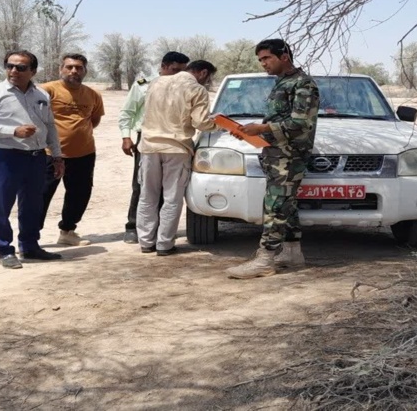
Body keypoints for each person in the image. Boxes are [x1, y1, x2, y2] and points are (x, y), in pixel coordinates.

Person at [225, 39, 320, 279]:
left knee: (276, 206)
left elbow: (301, 123)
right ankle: (291, 252)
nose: (263, 64)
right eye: (260, 59)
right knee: (286, 204)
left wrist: (262, 129)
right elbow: (281, 119)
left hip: (289, 156)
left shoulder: (303, 84)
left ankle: (265, 259)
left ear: (284, 56)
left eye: (267, 58)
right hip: (276, 154)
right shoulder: (283, 82)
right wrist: (250, 132)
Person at [0, 50, 65, 269]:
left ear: (33, 71)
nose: (13, 71)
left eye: (21, 68)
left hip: (37, 158)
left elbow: (49, 126)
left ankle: (30, 247)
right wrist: (12, 131)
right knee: (0, 205)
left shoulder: (41, 95)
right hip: (6, 157)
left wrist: (57, 155)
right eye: (9, 66)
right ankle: (4, 250)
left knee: (33, 205)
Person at [137, 60, 218, 256]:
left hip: (149, 146)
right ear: (203, 73)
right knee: (172, 198)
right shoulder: (196, 89)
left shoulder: (156, 82)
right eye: (208, 78)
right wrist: (217, 123)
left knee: (147, 195)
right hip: (177, 148)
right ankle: (164, 244)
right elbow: (201, 123)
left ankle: (146, 242)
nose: (208, 81)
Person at [119, 51, 190, 243]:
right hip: (148, 138)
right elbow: (128, 112)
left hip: (175, 140)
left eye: (183, 72)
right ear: (164, 66)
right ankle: (133, 227)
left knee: (169, 190)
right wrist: (126, 137)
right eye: (175, 70)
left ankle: (159, 231)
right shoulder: (144, 85)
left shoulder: (185, 86)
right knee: (142, 186)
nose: (178, 75)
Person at [39, 53, 105, 246]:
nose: (74, 71)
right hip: (49, 154)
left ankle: (67, 231)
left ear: (85, 71)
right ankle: (30, 236)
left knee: (79, 194)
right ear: (61, 69)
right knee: (40, 194)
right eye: (69, 67)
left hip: (84, 154)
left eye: (79, 67)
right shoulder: (47, 90)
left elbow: (94, 120)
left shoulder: (93, 94)